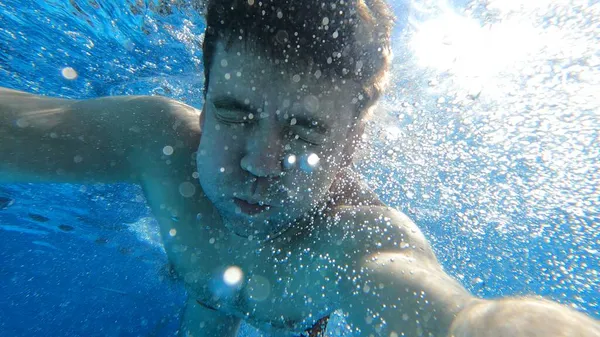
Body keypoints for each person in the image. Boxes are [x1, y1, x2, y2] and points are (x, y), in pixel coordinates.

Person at [1, 0, 599, 336]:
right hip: (206, 296)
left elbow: (445, 311)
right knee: (204, 311)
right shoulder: (155, 140)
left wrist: (492, 326)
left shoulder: (357, 240)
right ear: (203, 101)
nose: (261, 164)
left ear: (352, 143)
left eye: (308, 130)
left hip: (292, 318)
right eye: (234, 114)